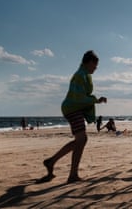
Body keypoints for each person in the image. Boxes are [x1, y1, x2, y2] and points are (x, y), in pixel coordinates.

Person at [39, 50, 107, 184]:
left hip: (74, 109)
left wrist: (96, 100)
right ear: (87, 63)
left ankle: (54, 163)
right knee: (82, 139)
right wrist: (95, 100)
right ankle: (68, 172)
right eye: (94, 65)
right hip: (71, 108)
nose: (96, 68)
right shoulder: (80, 76)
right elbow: (79, 97)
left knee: (81, 140)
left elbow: (82, 96)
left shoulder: (85, 75)